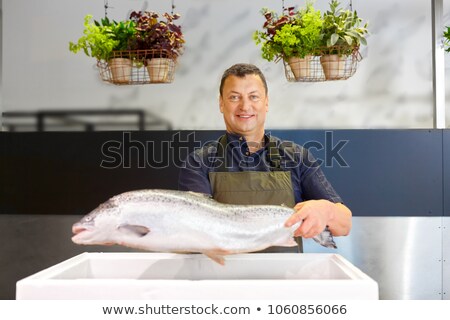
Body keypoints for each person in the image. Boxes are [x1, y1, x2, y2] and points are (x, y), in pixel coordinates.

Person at [178, 63, 351, 252]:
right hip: (223, 277)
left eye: (254, 97)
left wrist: (327, 210)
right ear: (221, 103)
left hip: (284, 278)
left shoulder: (296, 157)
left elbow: (344, 224)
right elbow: (195, 228)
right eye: (234, 97)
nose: (245, 106)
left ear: (266, 102)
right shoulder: (200, 162)